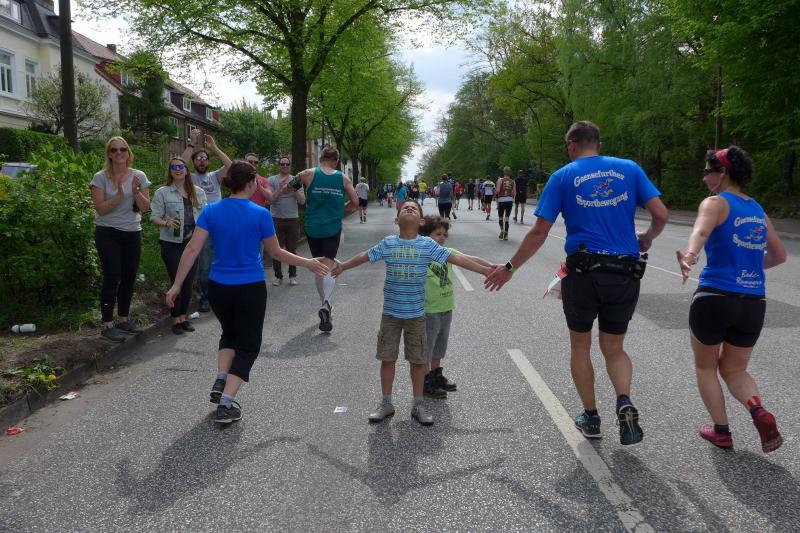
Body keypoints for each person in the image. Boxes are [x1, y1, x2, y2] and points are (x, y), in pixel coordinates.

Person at [485, 120, 669, 446]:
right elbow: (662, 214)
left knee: (581, 346)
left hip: (584, 274)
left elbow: (540, 232)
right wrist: (648, 237)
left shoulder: (563, 176)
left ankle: (591, 417)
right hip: (625, 272)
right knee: (614, 348)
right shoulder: (629, 168)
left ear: (571, 145)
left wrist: (511, 267)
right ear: (598, 143)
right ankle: (624, 400)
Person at [165, 161, 329, 424]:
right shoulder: (260, 213)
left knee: (229, 333)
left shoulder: (211, 210)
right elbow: (277, 253)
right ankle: (226, 404)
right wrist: (307, 262)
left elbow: (192, 249)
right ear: (252, 183)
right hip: (249, 288)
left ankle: (222, 379)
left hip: (218, 287)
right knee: (249, 345)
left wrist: (176, 285)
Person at [332, 201, 490, 426]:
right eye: (404, 208)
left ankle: (418, 404)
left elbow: (456, 258)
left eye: (414, 208)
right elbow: (365, 256)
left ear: (421, 221)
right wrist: (343, 266)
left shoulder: (428, 245)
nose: (409, 209)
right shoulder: (388, 243)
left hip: (416, 315)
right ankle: (386, 403)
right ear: (396, 220)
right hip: (391, 315)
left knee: (417, 361)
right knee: (387, 358)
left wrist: (485, 270)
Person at [676, 146, 786, 453]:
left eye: (707, 172)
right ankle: (757, 409)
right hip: (753, 302)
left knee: (706, 368)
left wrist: (689, 256)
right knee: (735, 369)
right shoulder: (758, 211)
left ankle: (721, 431)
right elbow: (779, 255)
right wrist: (747, 266)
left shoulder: (715, 202)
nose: (704, 179)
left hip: (715, 297)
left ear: (722, 172)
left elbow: (701, 232)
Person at [420, 215, 491, 399]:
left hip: (445, 307)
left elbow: (468, 258)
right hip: (429, 309)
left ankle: (436, 375)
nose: (442, 238)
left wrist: (492, 266)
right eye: (438, 234)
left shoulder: (447, 252)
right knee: (427, 348)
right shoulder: (423, 253)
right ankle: (425, 382)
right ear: (426, 235)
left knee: (439, 347)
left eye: (444, 235)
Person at [90, 137, 151, 342]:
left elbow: (145, 208)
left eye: (123, 149)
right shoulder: (100, 177)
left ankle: (123, 319)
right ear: (109, 153)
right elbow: (100, 209)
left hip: (132, 231)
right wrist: (118, 196)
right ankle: (107, 323)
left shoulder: (139, 176)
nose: (119, 153)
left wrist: (135, 192)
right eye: (114, 150)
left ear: (128, 152)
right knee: (112, 276)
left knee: (129, 277)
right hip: (108, 232)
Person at [295, 146, 359, 332]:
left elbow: (289, 187)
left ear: (321, 158)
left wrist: (301, 196)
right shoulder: (343, 178)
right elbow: (356, 202)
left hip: (312, 226)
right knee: (329, 264)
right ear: (336, 161)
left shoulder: (307, 173)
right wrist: (341, 211)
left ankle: (325, 304)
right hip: (332, 226)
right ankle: (326, 304)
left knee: (319, 266)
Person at [150, 158, 207, 335]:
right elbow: (154, 218)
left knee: (189, 283)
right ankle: (175, 320)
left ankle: (183, 317)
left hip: (192, 244)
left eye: (180, 166)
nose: (177, 169)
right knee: (177, 282)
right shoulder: (163, 192)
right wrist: (166, 223)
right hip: (172, 244)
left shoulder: (198, 192)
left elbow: (205, 217)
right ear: (170, 171)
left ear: (186, 170)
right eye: (173, 167)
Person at [181, 129, 232, 312]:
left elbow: (231, 166)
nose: (201, 161)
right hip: (202, 227)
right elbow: (180, 164)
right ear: (194, 162)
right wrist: (192, 143)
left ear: (208, 162)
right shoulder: (191, 178)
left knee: (224, 261)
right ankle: (206, 297)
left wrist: (215, 148)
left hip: (220, 226)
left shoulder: (215, 176)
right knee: (204, 266)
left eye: (204, 158)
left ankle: (223, 295)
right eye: (198, 159)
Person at [265, 156, 306, 286]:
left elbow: (302, 201)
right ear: (279, 166)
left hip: (292, 219)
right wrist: (280, 188)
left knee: (292, 249)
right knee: (276, 250)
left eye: (287, 164)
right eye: (282, 164)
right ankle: (278, 277)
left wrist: (294, 189)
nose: (284, 166)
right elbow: (270, 200)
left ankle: (292, 275)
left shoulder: (296, 180)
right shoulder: (272, 180)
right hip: (276, 218)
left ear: (290, 166)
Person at [495, 166, 516, 240]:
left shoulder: (500, 180)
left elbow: (497, 190)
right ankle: (506, 234)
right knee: (506, 218)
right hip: (509, 200)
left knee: (501, 217)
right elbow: (514, 193)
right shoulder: (513, 181)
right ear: (510, 173)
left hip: (501, 200)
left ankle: (502, 230)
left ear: (504, 172)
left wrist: (496, 196)